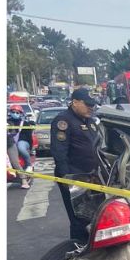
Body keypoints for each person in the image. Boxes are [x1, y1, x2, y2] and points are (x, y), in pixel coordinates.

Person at [51, 87, 102, 244]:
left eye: (92, 105)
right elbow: (60, 153)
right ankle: (77, 249)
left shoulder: (90, 121)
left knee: (93, 215)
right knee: (78, 218)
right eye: (87, 104)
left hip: (92, 176)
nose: (91, 108)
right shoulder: (63, 121)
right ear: (75, 102)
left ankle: (91, 245)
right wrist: (68, 180)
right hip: (74, 176)